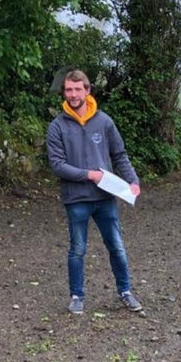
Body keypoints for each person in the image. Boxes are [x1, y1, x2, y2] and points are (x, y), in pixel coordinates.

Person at [46, 69, 143, 315]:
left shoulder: (104, 121)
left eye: (78, 89)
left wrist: (132, 180)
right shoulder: (57, 127)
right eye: (69, 89)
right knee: (77, 249)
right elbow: (58, 166)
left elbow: (119, 155)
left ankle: (125, 291)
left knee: (116, 246)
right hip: (76, 199)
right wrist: (90, 174)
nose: (73, 94)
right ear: (64, 92)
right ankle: (77, 296)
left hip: (105, 198)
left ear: (88, 90)